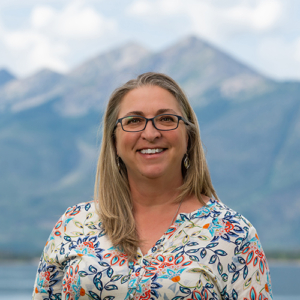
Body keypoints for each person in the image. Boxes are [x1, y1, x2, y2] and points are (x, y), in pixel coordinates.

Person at [33, 72, 273, 300]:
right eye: (134, 121)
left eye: (166, 119)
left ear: (188, 136)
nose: (150, 133)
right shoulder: (73, 224)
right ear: (114, 140)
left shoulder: (233, 234)